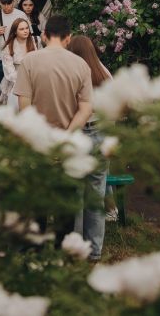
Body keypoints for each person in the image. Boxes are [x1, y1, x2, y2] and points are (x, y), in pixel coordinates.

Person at [14, 16, 105, 261]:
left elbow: (24, 106)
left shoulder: (29, 61)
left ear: (44, 35)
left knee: (36, 202)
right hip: (67, 144)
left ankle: (33, 254)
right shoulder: (81, 65)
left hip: (37, 143)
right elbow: (86, 108)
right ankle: (61, 255)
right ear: (68, 38)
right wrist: (66, 135)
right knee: (65, 203)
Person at [65, 35, 118, 224]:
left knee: (79, 181)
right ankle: (109, 211)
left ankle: (78, 225)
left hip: (80, 130)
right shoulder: (103, 71)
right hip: (101, 130)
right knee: (100, 178)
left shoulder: (74, 73)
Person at [0, 19, 38, 106]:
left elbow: (36, 62)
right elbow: (9, 71)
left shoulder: (33, 41)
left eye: (27, 28)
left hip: (32, 79)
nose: (25, 31)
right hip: (15, 81)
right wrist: (24, 82)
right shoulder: (9, 47)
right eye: (21, 29)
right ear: (15, 32)